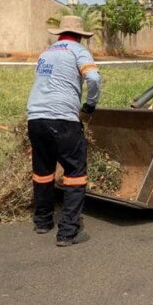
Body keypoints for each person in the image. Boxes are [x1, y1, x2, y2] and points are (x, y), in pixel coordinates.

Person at [26, 15, 101, 247]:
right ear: (80, 36)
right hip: (63, 120)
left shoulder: (46, 53)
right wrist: (90, 104)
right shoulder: (78, 51)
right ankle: (68, 231)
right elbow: (94, 78)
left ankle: (42, 221)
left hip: (35, 119)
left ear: (60, 34)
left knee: (43, 171)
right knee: (75, 172)